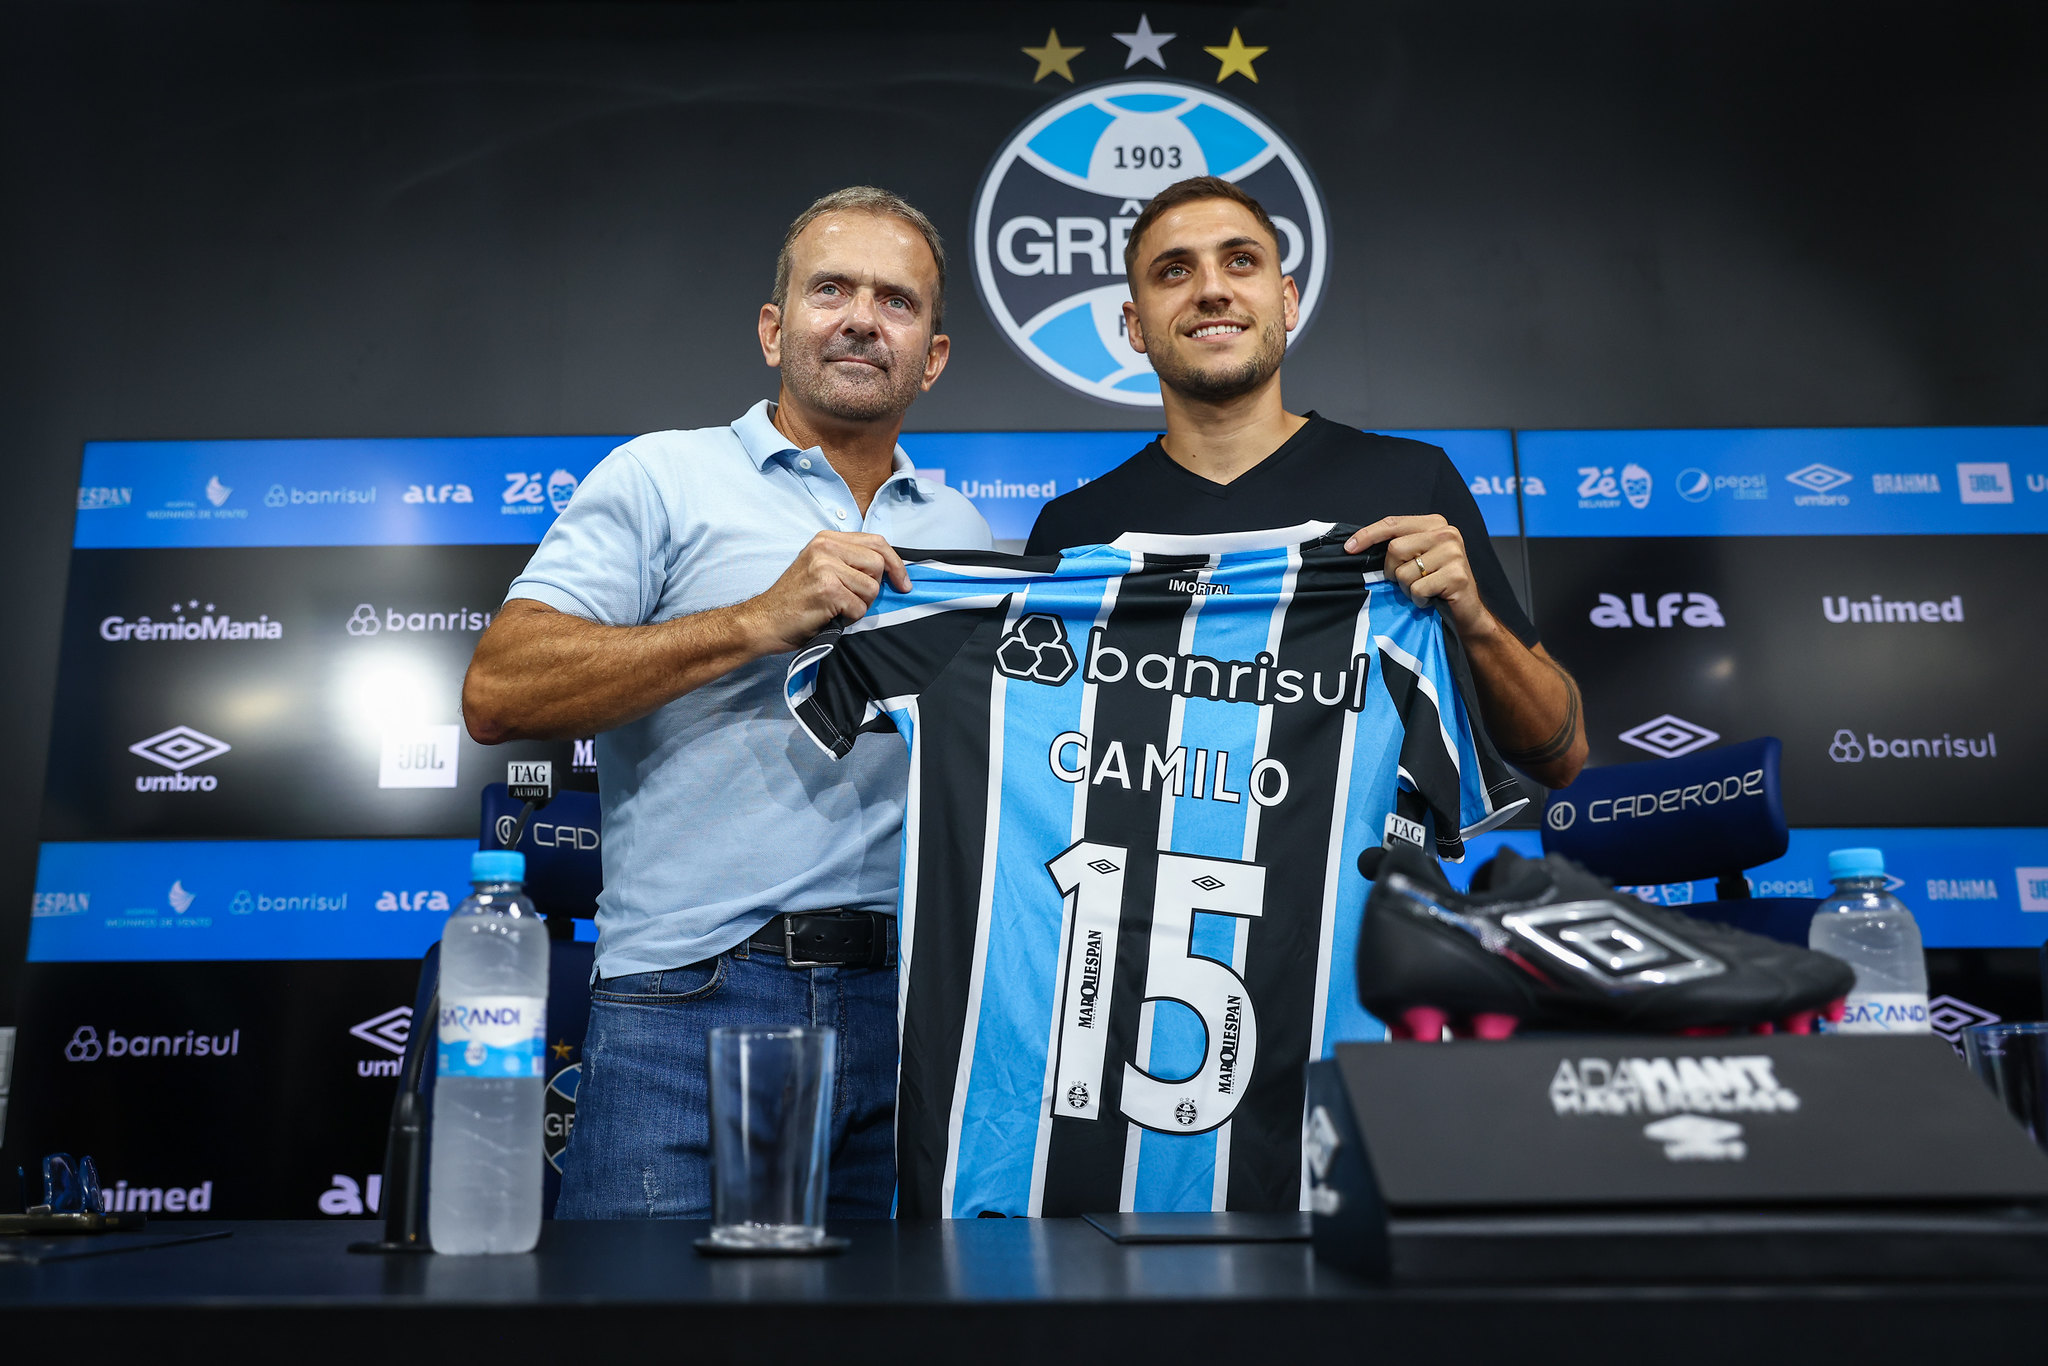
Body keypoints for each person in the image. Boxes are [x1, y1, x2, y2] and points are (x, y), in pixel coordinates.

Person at [461, 186, 993, 1219]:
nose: (857, 317)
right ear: (772, 328)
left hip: (910, 1013)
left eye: (894, 300)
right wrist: (755, 618)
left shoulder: (968, 532)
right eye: (828, 289)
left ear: (930, 355)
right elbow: (498, 690)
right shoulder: (663, 476)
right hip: (687, 1000)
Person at [1027, 176, 1585, 788]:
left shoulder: (1411, 480)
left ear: (1287, 301)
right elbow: (1037, 764)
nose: (1212, 290)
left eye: (1241, 261)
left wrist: (1475, 623)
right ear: (1135, 326)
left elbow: (1559, 757)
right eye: (1174, 272)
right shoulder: (1073, 531)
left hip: (1365, 882)